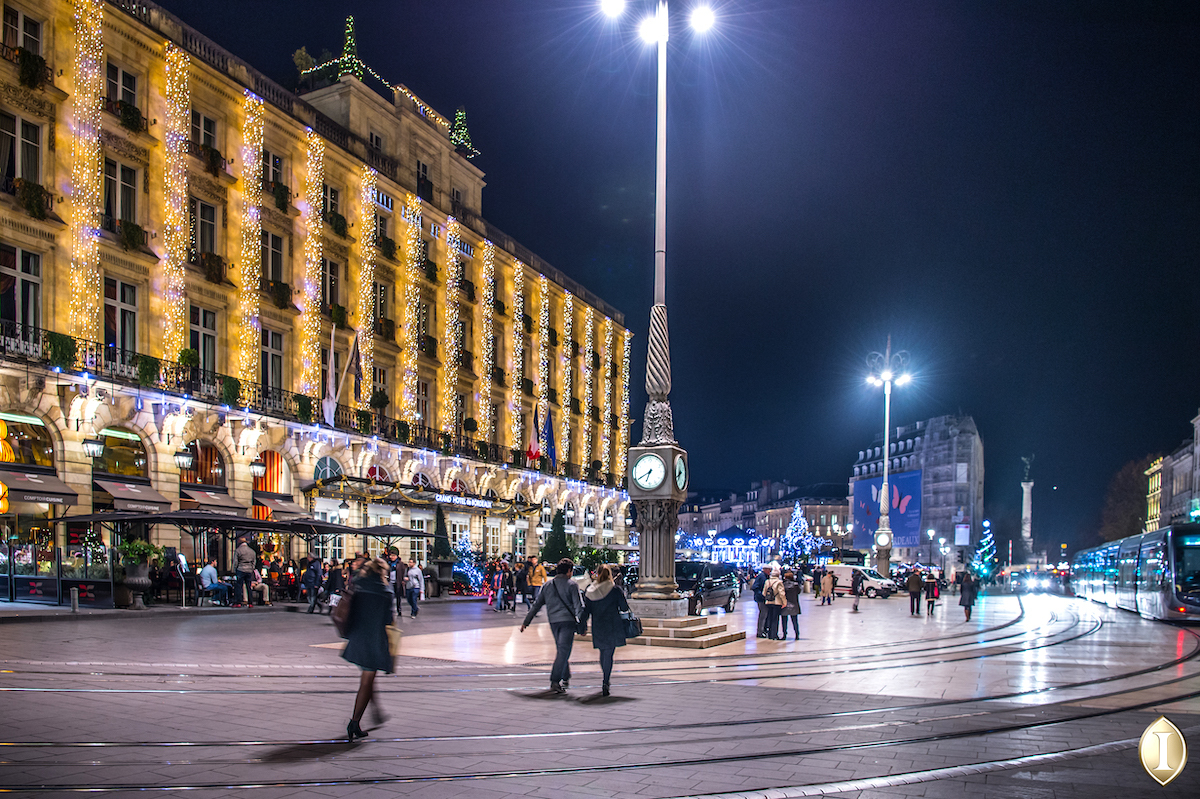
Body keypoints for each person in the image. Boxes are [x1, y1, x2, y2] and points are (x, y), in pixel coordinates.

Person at [343, 557, 395, 741]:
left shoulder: (358, 585)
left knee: (368, 677)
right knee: (366, 681)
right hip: (373, 640)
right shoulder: (385, 592)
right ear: (382, 572)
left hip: (357, 637)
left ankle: (375, 711)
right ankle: (354, 721)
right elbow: (388, 620)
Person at [520, 558, 582, 693]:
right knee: (563, 650)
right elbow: (579, 606)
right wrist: (582, 623)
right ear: (569, 571)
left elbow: (536, 605)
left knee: (561, 649)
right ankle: (555, 680)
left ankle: (565, 675)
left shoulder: (547, 586)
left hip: (553, 622)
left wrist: (526, 621)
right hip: (567, 622)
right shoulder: (572, 585)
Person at [578, 565, 629, 696]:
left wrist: (582, 627)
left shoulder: (591, 591)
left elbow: (586, 611)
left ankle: (605, 675)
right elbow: (624, 608)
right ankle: (606, 679)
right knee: (609, 653)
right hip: (613, 624)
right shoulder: (615, 590)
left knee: (602, 651)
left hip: (598, 625)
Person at [233, 537, 256, 608]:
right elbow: (254, 562)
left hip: (241, 569)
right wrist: (251, 568)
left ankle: (238, 602)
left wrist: (235, 570)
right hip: (249, 570)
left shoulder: (238, 550)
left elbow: (235, 562)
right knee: (248, 586)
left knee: (239, 586)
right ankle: (250, 602)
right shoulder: (252, 551)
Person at [780, 570, 801, 640]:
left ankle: (784, 634)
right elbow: (798, 592)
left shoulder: (782, 584)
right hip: (794, 604)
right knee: (795, 621)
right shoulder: (795, 585)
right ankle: (797, 634)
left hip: (784, 604)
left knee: (784, 621)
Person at [764, 569, 785, 639]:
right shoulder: (779, 582)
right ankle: (774, 634)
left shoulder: (767, 581)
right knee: (775, 619)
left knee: (769, 618)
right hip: (777, 602)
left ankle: (769, 634)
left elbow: (764, 592)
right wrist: (784, 602)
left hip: (768, 602)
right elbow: (782, 593)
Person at [750, 566, 770, 638]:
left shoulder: (765, 576)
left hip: (763, 598)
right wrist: (761, 595)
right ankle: (760, 632)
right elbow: (754, 587)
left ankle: (763, 630)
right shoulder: (761, 576)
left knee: (765, 615)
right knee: (763, 615)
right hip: (761, 599)